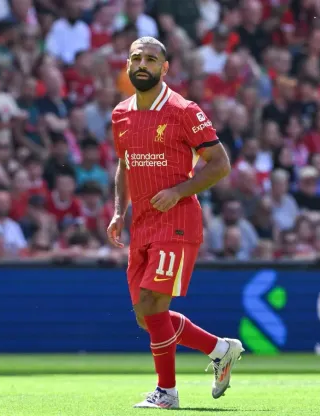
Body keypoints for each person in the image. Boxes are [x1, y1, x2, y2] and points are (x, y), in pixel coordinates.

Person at [107, 37, 244, 410]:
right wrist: (121, 211)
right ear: (127, 65)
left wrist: (180, 191)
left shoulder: (184, 110)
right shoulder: (121, 113)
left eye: (151, 59)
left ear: (164, 68)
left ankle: (166, 392)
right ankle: (220, 348)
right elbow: (125, 164)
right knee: (145, 317)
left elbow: (220, 163)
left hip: (177, 219)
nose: (142, 64)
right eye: (136, 57)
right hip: (143, 224)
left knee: (153, 304)